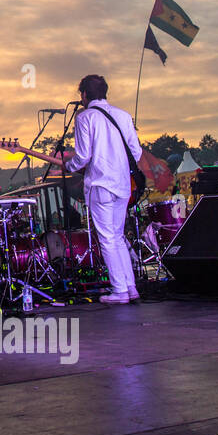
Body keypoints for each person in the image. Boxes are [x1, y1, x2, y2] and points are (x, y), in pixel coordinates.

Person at [58, 75, 142, 304]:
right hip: (123, 185)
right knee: (117, 236)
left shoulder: (85, 117)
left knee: (107, 239)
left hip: (101, 185)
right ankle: (130, 287)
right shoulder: (123, 115)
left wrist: (69, 166)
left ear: (84, 94)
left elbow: (83, 156)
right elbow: (136, 152)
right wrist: (120, 166)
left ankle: (119, 291)